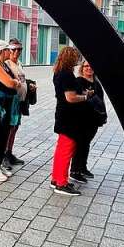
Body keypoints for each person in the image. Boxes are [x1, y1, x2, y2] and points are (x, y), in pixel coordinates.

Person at [50, 46, 89, 197]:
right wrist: (85, 97)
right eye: (76, 56)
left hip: (62, 114)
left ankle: (56, 178)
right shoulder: (67, 75)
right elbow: (70, 97)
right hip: (69, 117)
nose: (78, 59)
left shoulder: (59, 72)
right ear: (70, 58)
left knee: (61, 149)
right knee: (66, 149)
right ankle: (61, 183)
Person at [0, 40, 24, 183]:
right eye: (8, 50)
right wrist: (15, 82)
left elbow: (16, 80)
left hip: (7, 103)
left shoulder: (3, 65)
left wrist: (15, 82)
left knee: (5, 135)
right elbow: (10, 82)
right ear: (2, 52)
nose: (11, 52)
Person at [72, 60, 107, 182]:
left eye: (91, 66)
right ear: (82, 68)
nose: (89, 68)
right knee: (80, 144)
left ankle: (82, 167)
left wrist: (103, 115)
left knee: (86, 144)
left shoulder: (96, 82)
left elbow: (101, 100)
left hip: (94, 119)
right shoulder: (79, 81)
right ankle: (75, 170)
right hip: (82, 119)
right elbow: (76, 99)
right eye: (86, 66)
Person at [3, 39, 31, 168]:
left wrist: (29, 85)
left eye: (19, 49)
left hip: (19, 101)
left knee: (15, 128)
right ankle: (4, 155)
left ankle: (9, 152)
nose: (17, 52)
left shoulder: (19, 63)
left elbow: (22, 79)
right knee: (8, 128)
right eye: (14, 49)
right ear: (8, 50)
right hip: (10, 102)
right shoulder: (6, 64)